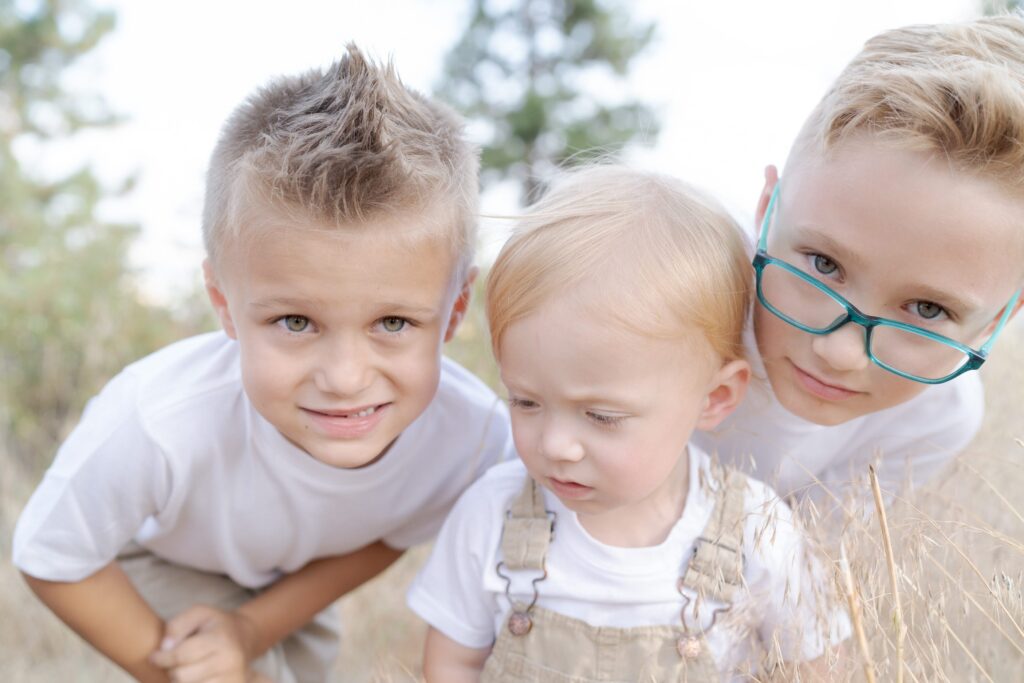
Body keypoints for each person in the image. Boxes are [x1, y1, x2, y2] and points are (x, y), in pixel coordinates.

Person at [12, 45, 513, 683]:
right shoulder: (159, 420)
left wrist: (256, 627)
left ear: (455, 308)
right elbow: (52, 554)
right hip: (157, 559)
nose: (345, 377)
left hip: (292, 577)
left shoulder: (474, 440)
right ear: (223, 302)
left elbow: (390, 532)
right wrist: (194, 670)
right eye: (295, 322)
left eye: (393, 323)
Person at [408, 166, 850, 682]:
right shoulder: (492, 514)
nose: (556, 445)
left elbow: (816, 668)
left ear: (715, 398)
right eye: (525, 402)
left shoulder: (755, 527)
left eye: (602, 416)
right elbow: (453, 661)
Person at [692, 15, 1024, 512]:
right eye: (823, 264)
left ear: (997, 323)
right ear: (766, 211)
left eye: (928, 310)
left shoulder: (936, 418)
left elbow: (799, 573)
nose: (840, 353)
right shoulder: (667, 291)